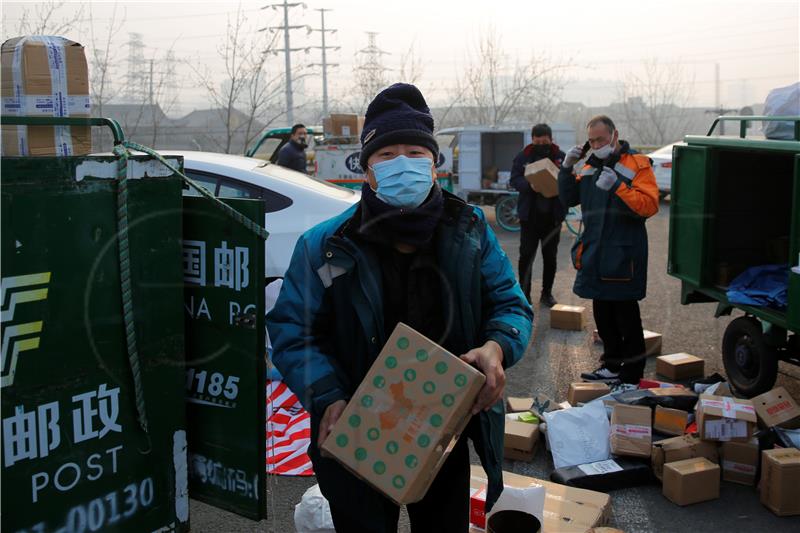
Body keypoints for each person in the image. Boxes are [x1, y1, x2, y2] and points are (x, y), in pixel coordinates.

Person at [267, 83, 532, 533]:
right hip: (355, 430)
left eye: (415, 152)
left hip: (443, 427)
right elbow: (294, 330)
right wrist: (328, 396)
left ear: (434, 165)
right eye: (387, 155)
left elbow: (510, 304)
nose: (402, 164)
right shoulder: (326, 245)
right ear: (366, 170)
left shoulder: (469, 232)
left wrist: (497, 347)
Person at [558, 115, 659, 384]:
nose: (596, 144)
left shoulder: (636, 164)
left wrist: (618, 186)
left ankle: (632, 374)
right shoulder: (590, 165)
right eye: (591, 140)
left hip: (624, 253)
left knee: (626, 315)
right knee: (603, 312)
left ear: (615, 136)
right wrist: (566, 169)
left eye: (600, 139)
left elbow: (649, 206)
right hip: (595, 250)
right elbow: (569, 199)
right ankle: (612, 365)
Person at [510, 123, 566, 307]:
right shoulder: (523, 156)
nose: (541, 144)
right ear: (532, 140)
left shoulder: (560, 157)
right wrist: (529, 185)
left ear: (551, 140)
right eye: (538, 141)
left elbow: (569, 181)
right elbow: (514, 180)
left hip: (553, 218)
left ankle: (546, 293)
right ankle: (524, 294)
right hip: (530, 218)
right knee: (526, 256)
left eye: (545, 141)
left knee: (550, 257)